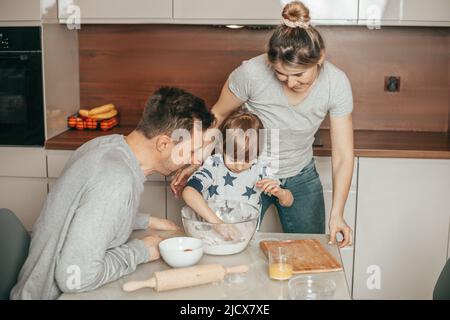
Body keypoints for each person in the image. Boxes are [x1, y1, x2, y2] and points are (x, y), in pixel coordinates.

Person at [171, 1, 354, 247]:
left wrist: (337, 214)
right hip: (246, 173)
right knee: (233, 244)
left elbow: (343, 154)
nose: (290, 83)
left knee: (309, 248)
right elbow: (217, 115)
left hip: (300, 174)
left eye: (299, 75)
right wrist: (196, 160)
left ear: (320, 58)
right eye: (281, 74)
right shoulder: (252, 73)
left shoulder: (336, 83)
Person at [11, 87, 215, 299]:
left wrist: (146, 221)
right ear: (163, 143)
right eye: (191, 151)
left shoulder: (105, 145)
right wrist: (141, 251)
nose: (194, 160)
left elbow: (86, 211)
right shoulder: (116, 180)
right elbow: (75, 279)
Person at [182, 108, 293, 229]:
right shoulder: (214, 165)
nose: (239, 166)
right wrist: (219, 225)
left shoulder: (261, 169)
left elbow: (288, 201)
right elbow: (189, 192)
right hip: (211, 235)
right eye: (233, 158)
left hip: (245, 237)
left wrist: (281, 193)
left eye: (246, 160)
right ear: (222, 147)